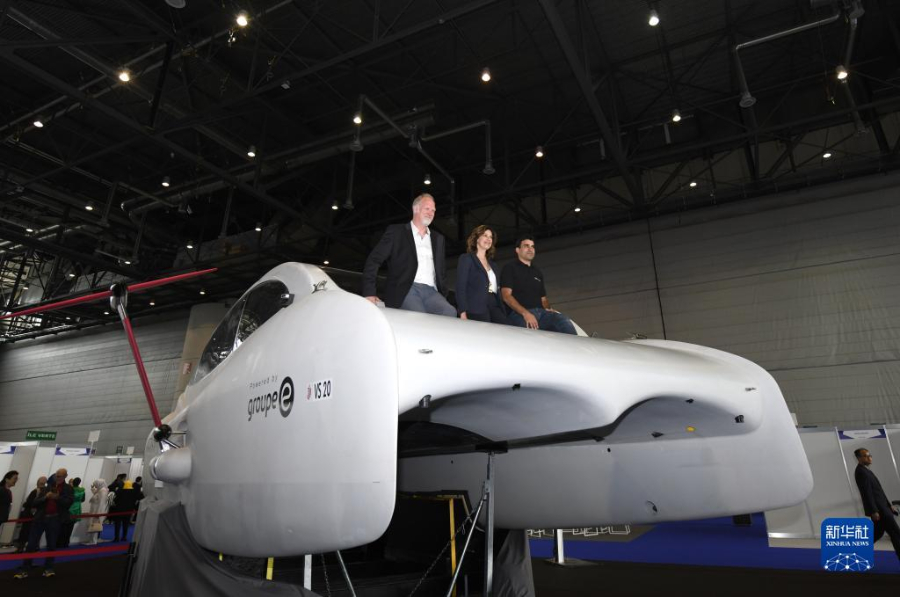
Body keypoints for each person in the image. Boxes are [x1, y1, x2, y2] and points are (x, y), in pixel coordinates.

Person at [361, 193, 455, 317]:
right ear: (415, 209)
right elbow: (374, 260)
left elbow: (441, 271)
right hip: (406, 289)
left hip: (431, 291)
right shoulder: (396, 232)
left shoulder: (438, 238)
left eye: (433, 210)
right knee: (420, 316)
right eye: (427, 208)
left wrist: (443, 294)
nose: (431, 213)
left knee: (450, 312)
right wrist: (369, 292)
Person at [500, 236, 576, 334]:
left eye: (532, 246)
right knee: (531, 334)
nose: (530, 249)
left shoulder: (537, 272)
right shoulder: (509, 268)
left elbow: (543, 299)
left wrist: (549, 309)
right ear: (517, 250)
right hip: (519, 314)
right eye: (526, 246)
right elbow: (506, 296)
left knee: (564, 321)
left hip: (542, 314)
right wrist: (526, 314)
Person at [15, 468, 74, 579]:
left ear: (65, 476)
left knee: (51, 545)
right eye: (56, 475)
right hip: (40, 519)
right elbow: (34, 503)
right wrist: (46, 497)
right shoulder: (47, 488)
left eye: (60, 476)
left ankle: (48, 568)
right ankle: (24, 569)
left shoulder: (68, 489)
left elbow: (68, 503)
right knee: (31, 545)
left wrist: (57, 498)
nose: (57, 478)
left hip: (55, 520)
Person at [854, 448, 900, 562]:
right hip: (880, 510)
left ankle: (856, 551)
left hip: (883, 508)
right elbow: (867, 493)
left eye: (870, 455)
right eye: (865, 456)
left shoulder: (866, 470)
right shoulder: (860, 472)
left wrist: (889, 505)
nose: (869, 457)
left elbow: (879, 491)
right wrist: (874, 511)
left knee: (877, 533)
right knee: (896, 533)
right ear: (859, 458)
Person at [456, 225, 509, 324]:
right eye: (485, 235)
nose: (488, 239)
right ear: (476, 238)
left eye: (490, 237)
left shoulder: (493, 265)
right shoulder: (467, 259)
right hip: (475, 307)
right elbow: (460, 287)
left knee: (505, 327)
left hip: (494, 304)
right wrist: (462, 312)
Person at [15, 476, 46, 552]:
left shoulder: (36, 491)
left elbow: (29, 503)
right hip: (38, 516)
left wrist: (25, 504)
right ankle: (34, 547)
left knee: (25, 532)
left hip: (30, 515)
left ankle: (21, 548)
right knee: (34, 533)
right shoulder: (45, 492)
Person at [59, 477, 85, 548]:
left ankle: (62, 542)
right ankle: (66, 542)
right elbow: (83, 500)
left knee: (64, 526)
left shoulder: (69, 489)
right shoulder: (82, 490)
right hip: (77, 508)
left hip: (69, 507)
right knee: (71, 527)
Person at [84, 478, 109, 545]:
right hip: (95, 511)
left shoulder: (103, 491)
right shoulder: (100, 490)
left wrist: (98, 514)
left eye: (96, 484)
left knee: (95, 526)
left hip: (97, 512)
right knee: (92, 525)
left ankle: (93, 541)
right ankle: (92, 540)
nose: (95, 486)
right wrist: (93, 488)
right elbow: (96, 495)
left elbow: (101, 503)